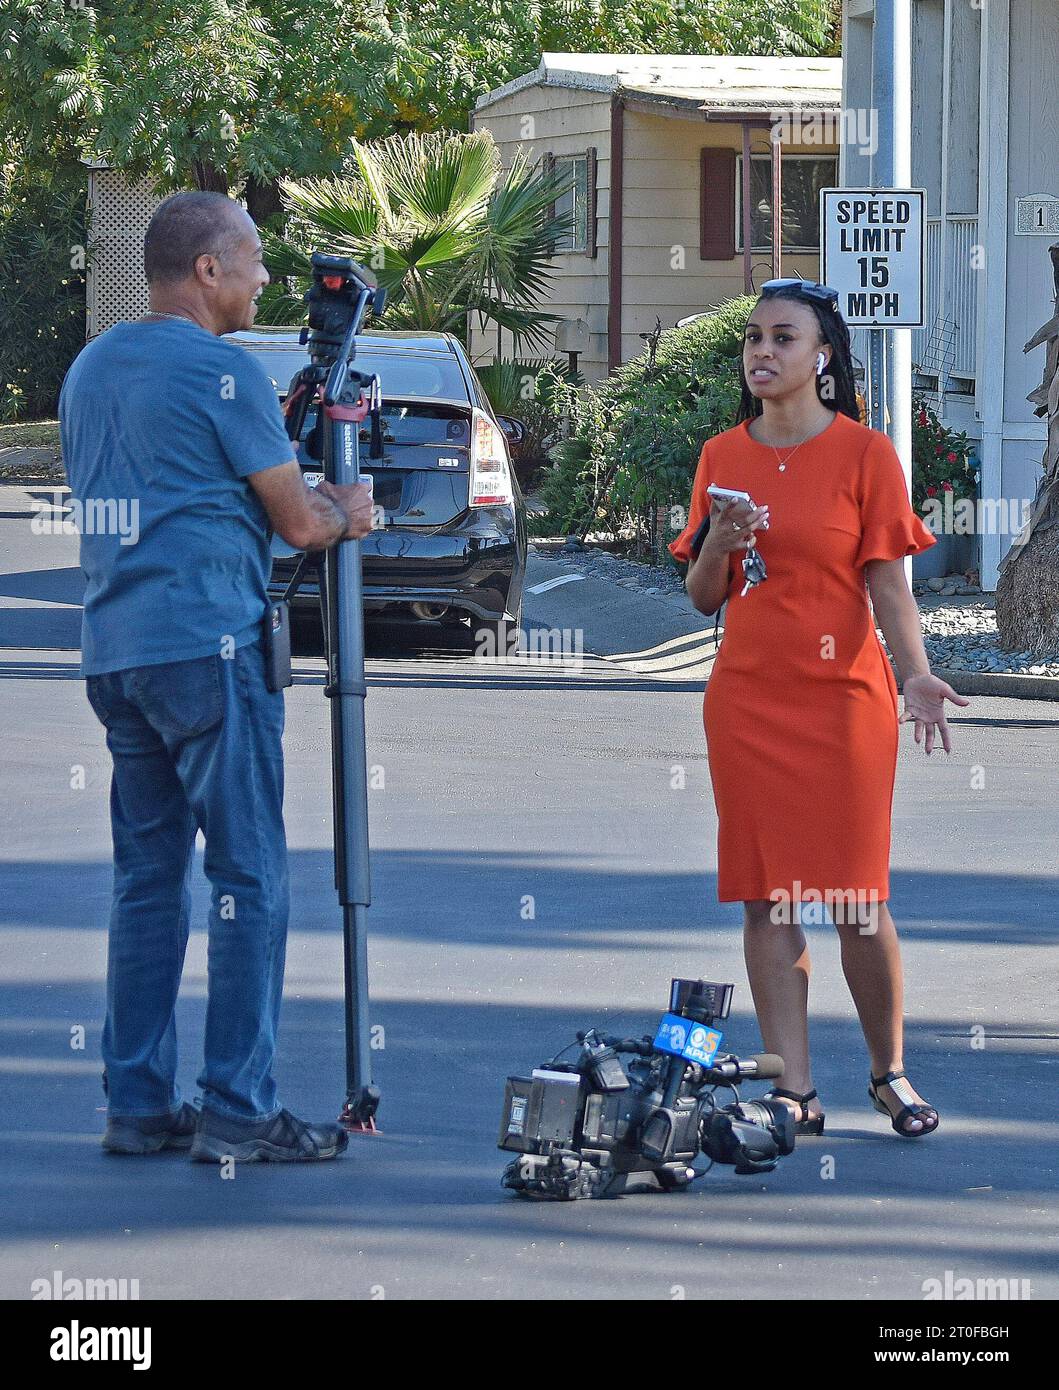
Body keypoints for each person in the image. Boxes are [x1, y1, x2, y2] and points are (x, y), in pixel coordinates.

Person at [59, 191, 374, 1162]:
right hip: (210, 648)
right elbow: (297, 522)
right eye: (251, 259)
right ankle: (239, 1101)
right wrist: (348, 511)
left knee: (148, 881)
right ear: (206, 271)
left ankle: (140, 1101)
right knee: (248, 875)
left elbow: (165, 489)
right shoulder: (221, 372)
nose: (266, 279)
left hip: (119, 653)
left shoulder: (90, 367)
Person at [669, 280, 970, 1139]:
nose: (761, 352)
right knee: (767, 899)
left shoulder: (865, 455)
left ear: (821, 357)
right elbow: (700, 599)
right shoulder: (720, 457)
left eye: (782, 338)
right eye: (752, 339)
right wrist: (719, 546)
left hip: (844, 705)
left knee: (854, 900)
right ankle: (792, 1090)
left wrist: (915, 673)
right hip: (747, 703)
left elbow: (888, 584)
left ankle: (888, 1073)